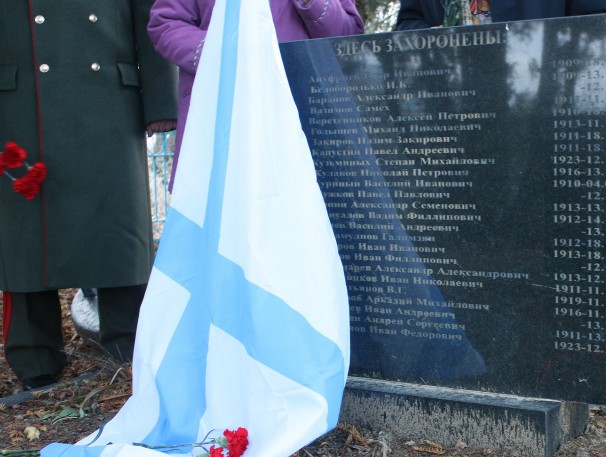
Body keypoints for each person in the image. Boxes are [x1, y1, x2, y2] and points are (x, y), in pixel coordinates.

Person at [0, 1, 179, 391]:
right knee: (26, 240)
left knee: (118, 228)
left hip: (108, 101)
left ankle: (129, 349)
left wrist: (163, 99)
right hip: (20, 103)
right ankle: (36, 360)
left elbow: (150, 12)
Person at [148, 0, 365, 192]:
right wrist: (225, 54)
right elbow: (166, 23)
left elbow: (346, 38)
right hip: (224, 114)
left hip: (305, 117)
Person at [395, 0, 606, 30]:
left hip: (536, 97)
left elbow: (597, 21)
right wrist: (431, 38)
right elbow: (408, 22)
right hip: (452, 102)